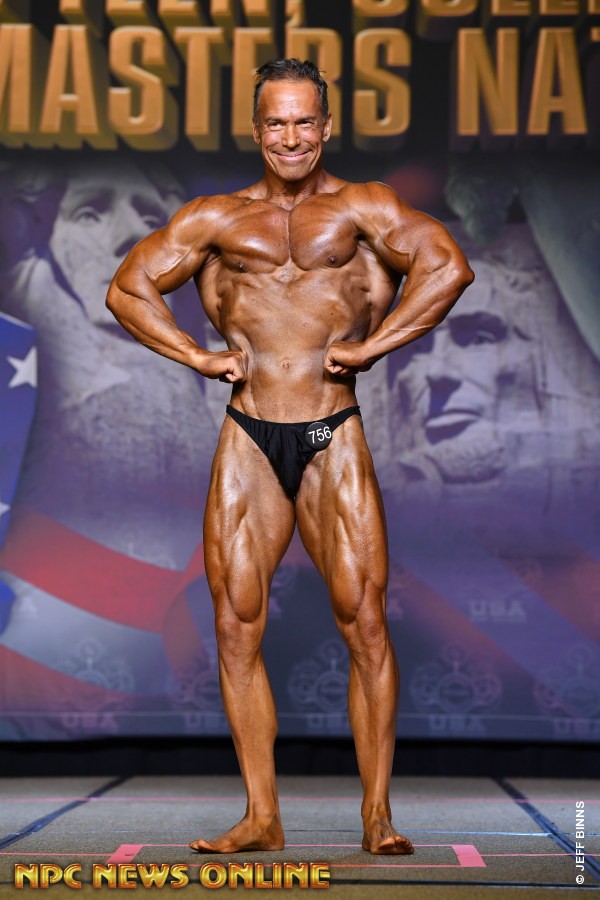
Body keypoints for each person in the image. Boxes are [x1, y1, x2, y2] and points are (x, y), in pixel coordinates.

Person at [107, 58, 474, 855]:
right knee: (236, 625)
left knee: (364, 622)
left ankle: (377, 817)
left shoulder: (364, 208)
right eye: (277, 122)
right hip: (248, 433)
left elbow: (447, 266)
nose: (291, 136)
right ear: (257, 129)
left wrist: (375, 345)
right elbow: (129, 287)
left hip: (331, 430)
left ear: (327, 126)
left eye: (305, 120)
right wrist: (195, 356)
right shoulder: (215, 218)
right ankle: (261, 816)